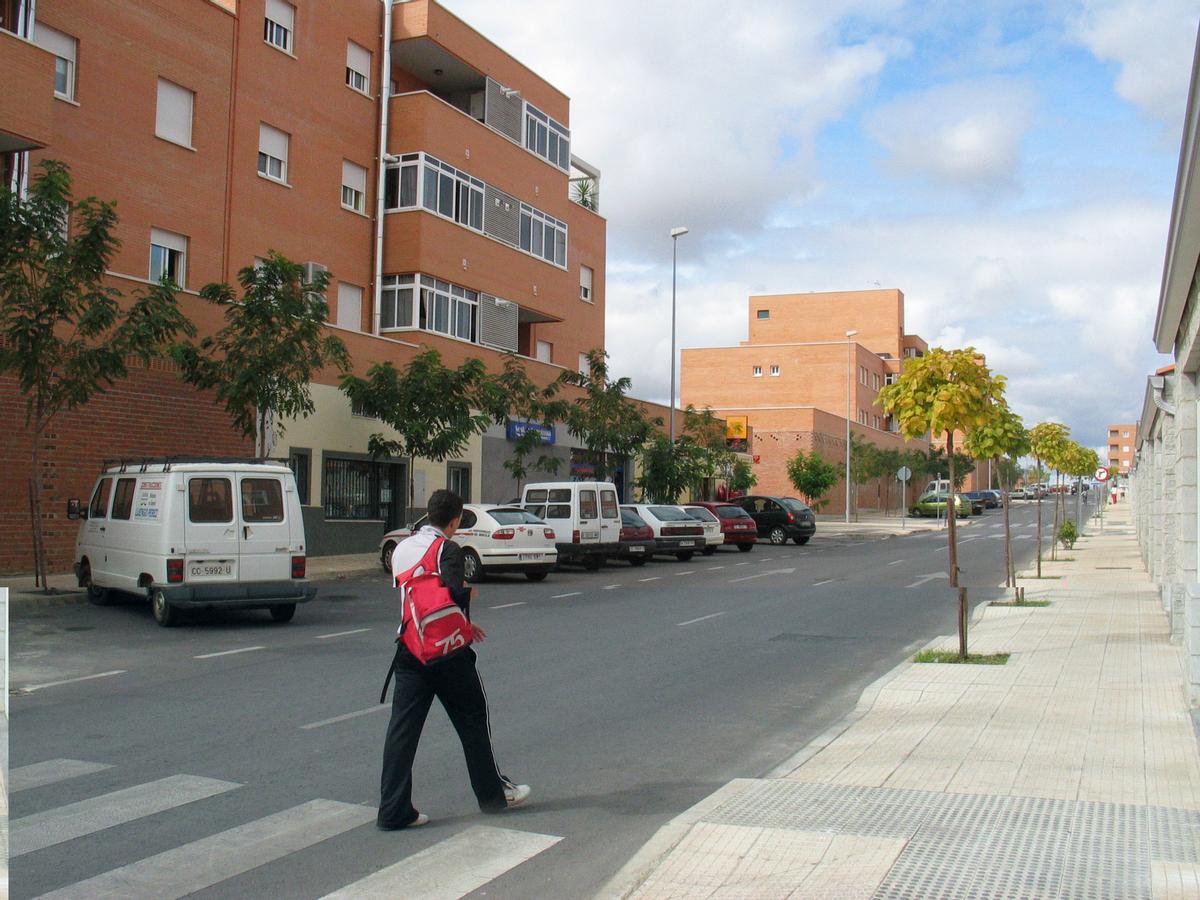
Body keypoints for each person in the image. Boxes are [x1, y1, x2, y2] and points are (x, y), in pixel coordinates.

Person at [377, 489, 530, 829]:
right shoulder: (449, 549)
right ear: (456, 519)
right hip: (448, 653)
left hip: (410, 649)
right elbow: (453, 594)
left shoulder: (402, 548)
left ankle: (393, 810)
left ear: (428, 514)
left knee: (402, 731)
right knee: (473, 719)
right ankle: (492, 796)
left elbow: (418, 598)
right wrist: (466, 602)